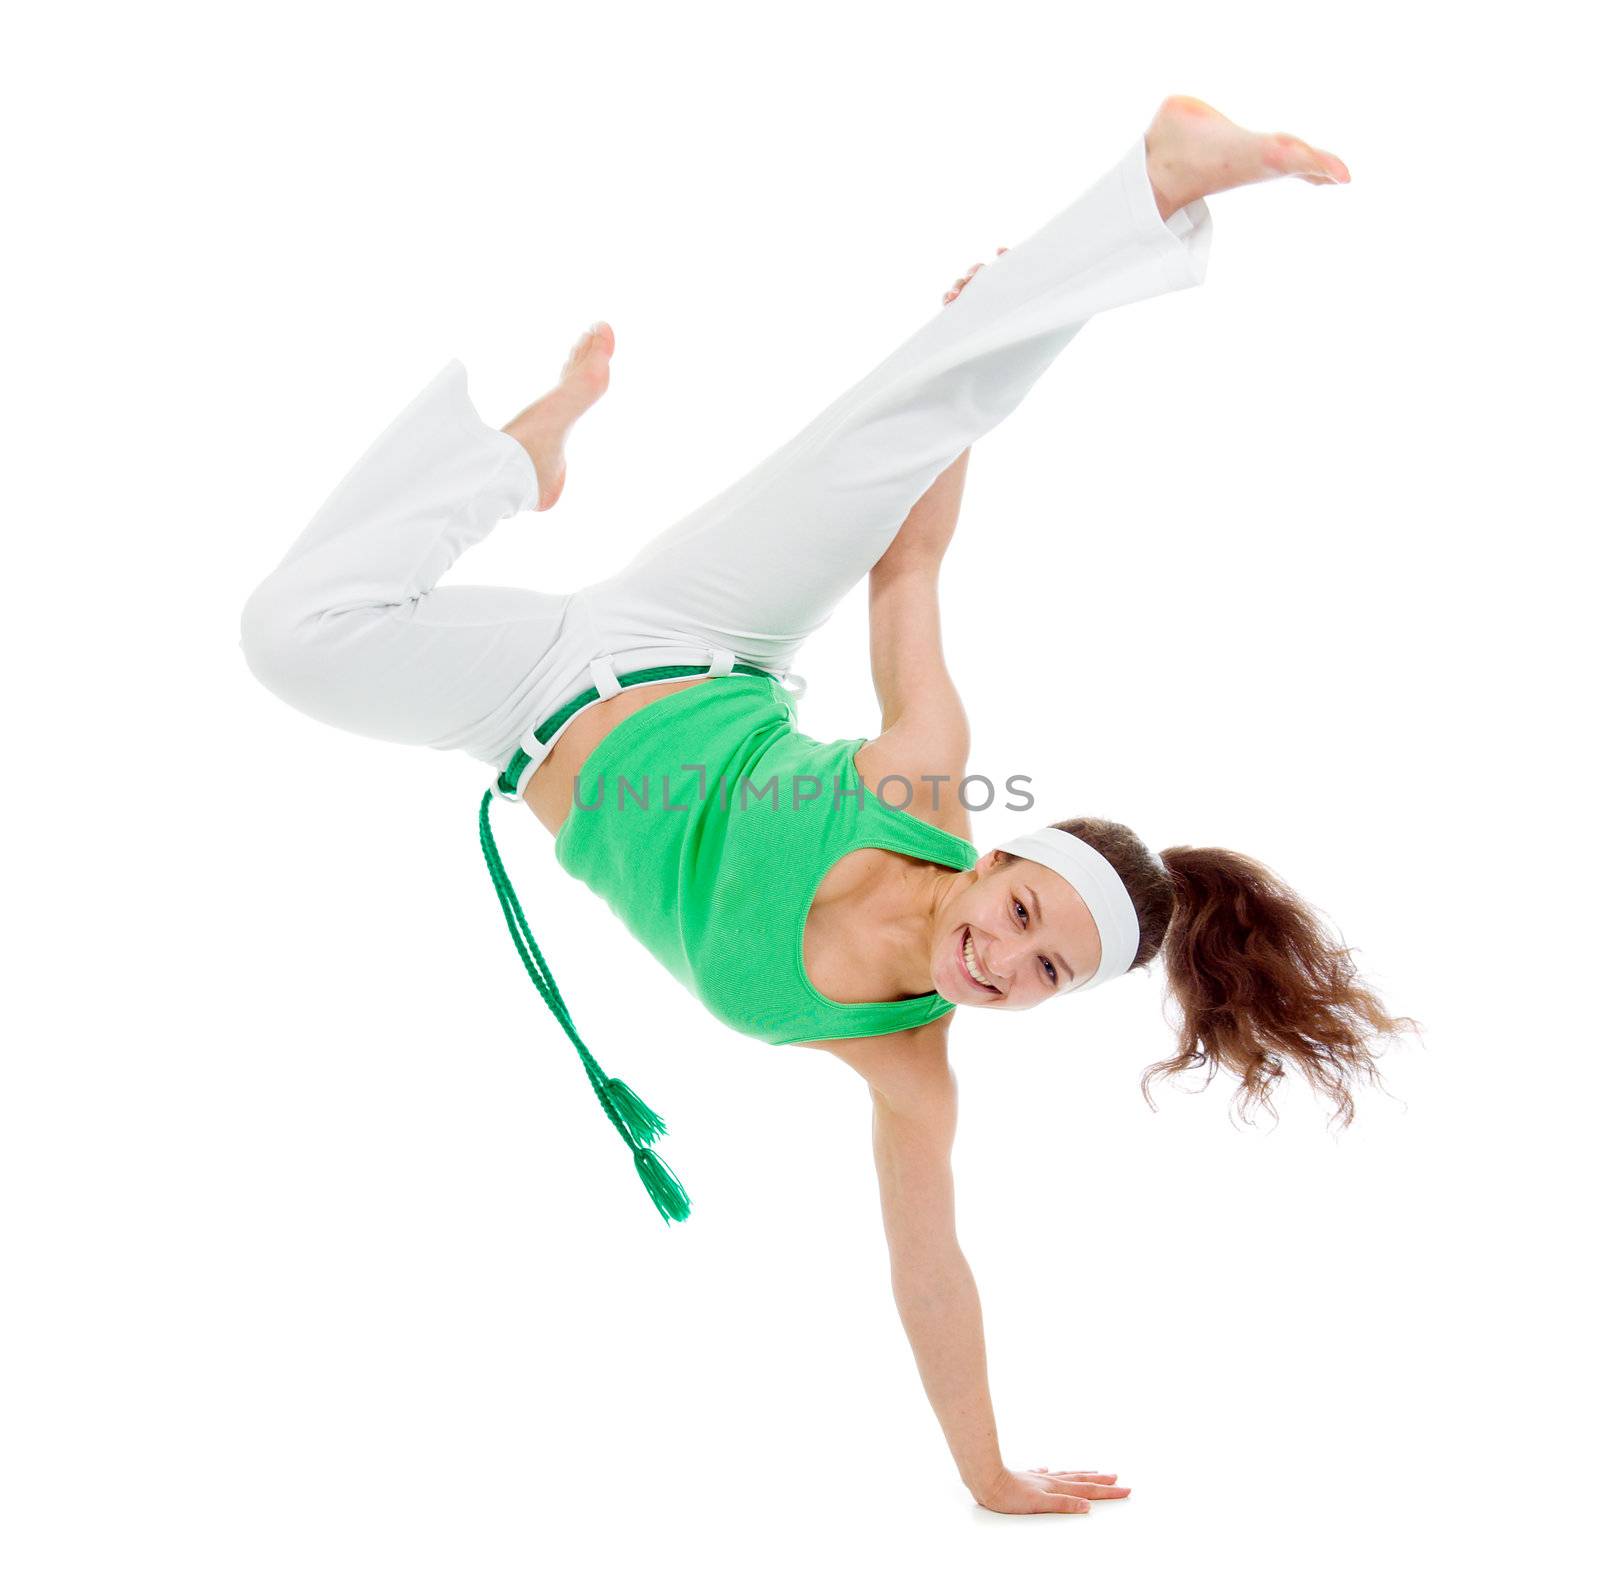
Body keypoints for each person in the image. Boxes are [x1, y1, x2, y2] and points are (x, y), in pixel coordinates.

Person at [240, 95, 1413, 1514]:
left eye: (1045, 975)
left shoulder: (906, 1064)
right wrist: (962, 365)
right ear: (991, 862)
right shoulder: (919, 780)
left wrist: (987, 1472)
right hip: (697, 632)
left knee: (291, 635)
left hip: (516, 711)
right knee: (896, 418)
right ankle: (1152, 183)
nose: (1003, 961)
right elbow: (908, 571)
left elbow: (931, 1267)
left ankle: (523, 461)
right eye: (1024, 916)